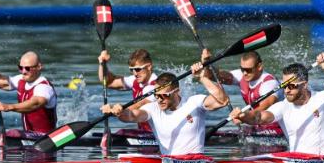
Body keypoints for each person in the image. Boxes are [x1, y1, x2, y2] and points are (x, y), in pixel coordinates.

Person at [230, 53, 324, 155]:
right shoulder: (283, 106)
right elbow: (259, 117)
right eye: (284, 86)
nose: (286, 90)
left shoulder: (323, 98)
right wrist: (243, 116)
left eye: (291, 86)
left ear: (304, 85)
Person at [100, 68, 230, 156]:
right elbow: (130, 116)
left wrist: (202, 77)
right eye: (156, 95)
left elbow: (222, 100)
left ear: (176, 91)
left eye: (164, 95)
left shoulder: (194, 103)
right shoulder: (153, 108)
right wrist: (118, 111)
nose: (159, 99)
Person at [201, 48, 282, 134]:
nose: (244, 73)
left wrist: (244, 117)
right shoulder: (243, 75)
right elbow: (215, 76)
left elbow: (263, 107)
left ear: (259, 66)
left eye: (248, 70)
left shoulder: (269, 83)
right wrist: (207, 64)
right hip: (256, 126)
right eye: (242, 69)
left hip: (276, 129)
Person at [0, 49, 57, 135]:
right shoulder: (20, 80)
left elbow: (35, 103)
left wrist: (9, 107)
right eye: (21, 68)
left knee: (14, 133)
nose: (23, 72)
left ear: (39, 67)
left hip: (46, 137)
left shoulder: (44, 86)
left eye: (27, 68)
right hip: (29, 135)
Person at [98, 48, 158, 131]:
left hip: (156, 135)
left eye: (137, 69)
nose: (135, 73)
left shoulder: (155, 86)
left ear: (149, 66)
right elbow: (109, 82)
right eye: (131, 69)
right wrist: (103, 64)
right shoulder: (135, 80)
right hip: (143, 132)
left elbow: (138, 105)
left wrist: (115, 109)